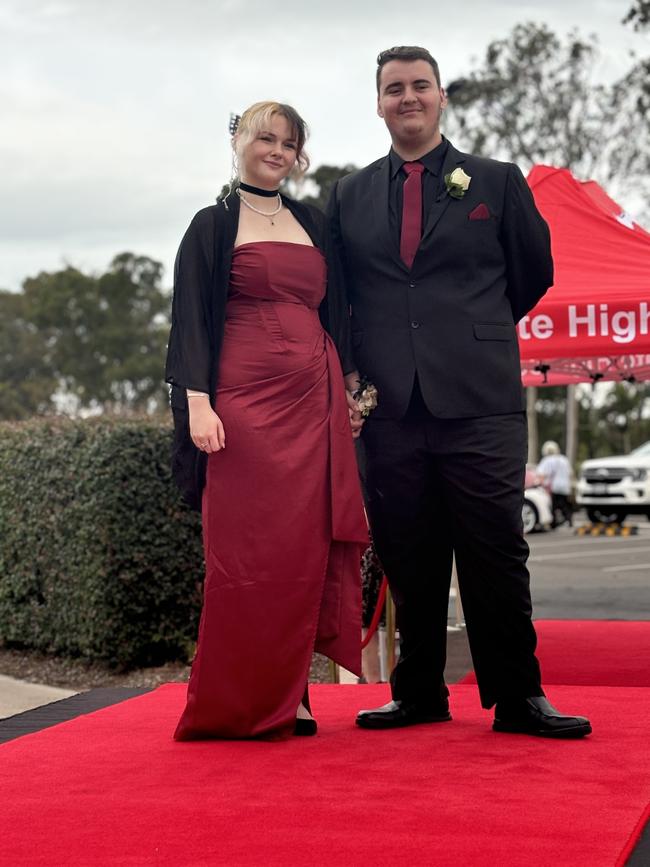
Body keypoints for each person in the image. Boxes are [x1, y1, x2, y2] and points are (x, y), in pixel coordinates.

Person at [327, 46, 591, 738]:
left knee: (495, 548)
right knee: (408, 552)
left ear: (441, 97)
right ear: (378, 102)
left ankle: (518, 695)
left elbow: (532, 274)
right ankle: (418, 691)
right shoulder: (348, 197)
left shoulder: (497, 183)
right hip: (390, 408)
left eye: (419, 86)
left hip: (479, 400)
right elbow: (340, 299)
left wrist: (470, 334)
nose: (407, 97)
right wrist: (355, 377)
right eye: (393, 88)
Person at [165, 101, 368, 740]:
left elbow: (340, 310)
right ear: (240, 141)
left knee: (303, 552)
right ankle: (235, 700)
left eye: (289, 143)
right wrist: (198, 401)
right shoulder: (211, 225)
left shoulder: (314, 221)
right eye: (266, 138)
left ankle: (295, 695)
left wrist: (353, 390)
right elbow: (191, 316)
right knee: (245, 550)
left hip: (314, 399)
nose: (277, 151)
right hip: (242, 404)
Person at [537, 441, 574, 527]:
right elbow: (570, 473)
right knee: (564, 504)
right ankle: (569, 519)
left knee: (553, 506)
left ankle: (553, 522)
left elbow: (542, 475)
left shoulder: (547, 460)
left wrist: (539, 484)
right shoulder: (564, 459)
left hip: (554, 487)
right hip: (565, 486)